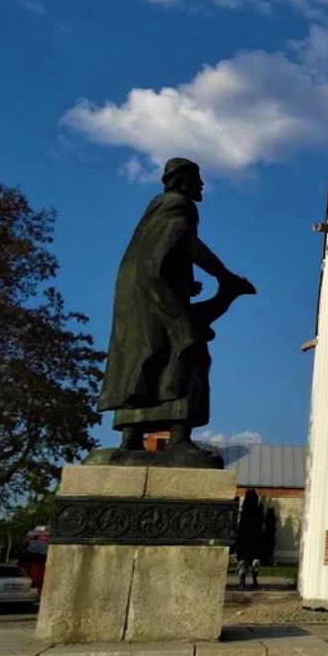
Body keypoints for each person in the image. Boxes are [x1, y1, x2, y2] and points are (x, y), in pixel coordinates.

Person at [97, 158, 255, 467]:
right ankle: (179, 438)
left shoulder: (155, 209)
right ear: (182, 180)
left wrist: (185, 282)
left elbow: (159, 252)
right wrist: (224, 276)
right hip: (156, 295)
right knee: (191, 352)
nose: (201, 185)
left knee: (144, 356)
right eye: (196, 178)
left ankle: (130, 438)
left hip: (139, 294)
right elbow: (186, 243)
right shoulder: (179, 205)